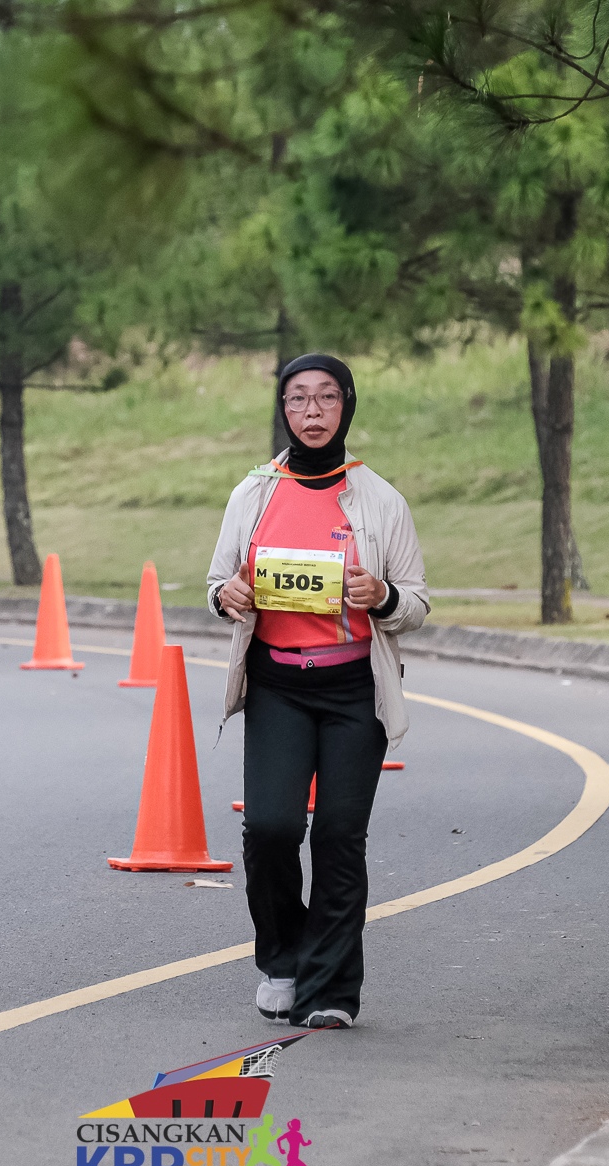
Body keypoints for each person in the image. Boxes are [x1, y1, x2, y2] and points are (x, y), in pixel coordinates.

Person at [208, 354, 429, 1030]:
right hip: (278, 684)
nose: (312, 411)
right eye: (298, 398)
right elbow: (218, 584)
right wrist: (227, 595)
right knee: (271, 828)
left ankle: (330, 988)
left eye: (327, 398)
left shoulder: (380, 500)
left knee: (338, 835)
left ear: (347, 406)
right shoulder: (253, 494)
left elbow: (416, 603)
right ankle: (283, 960)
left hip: (354, 689)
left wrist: (382, 595)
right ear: (283, 408)